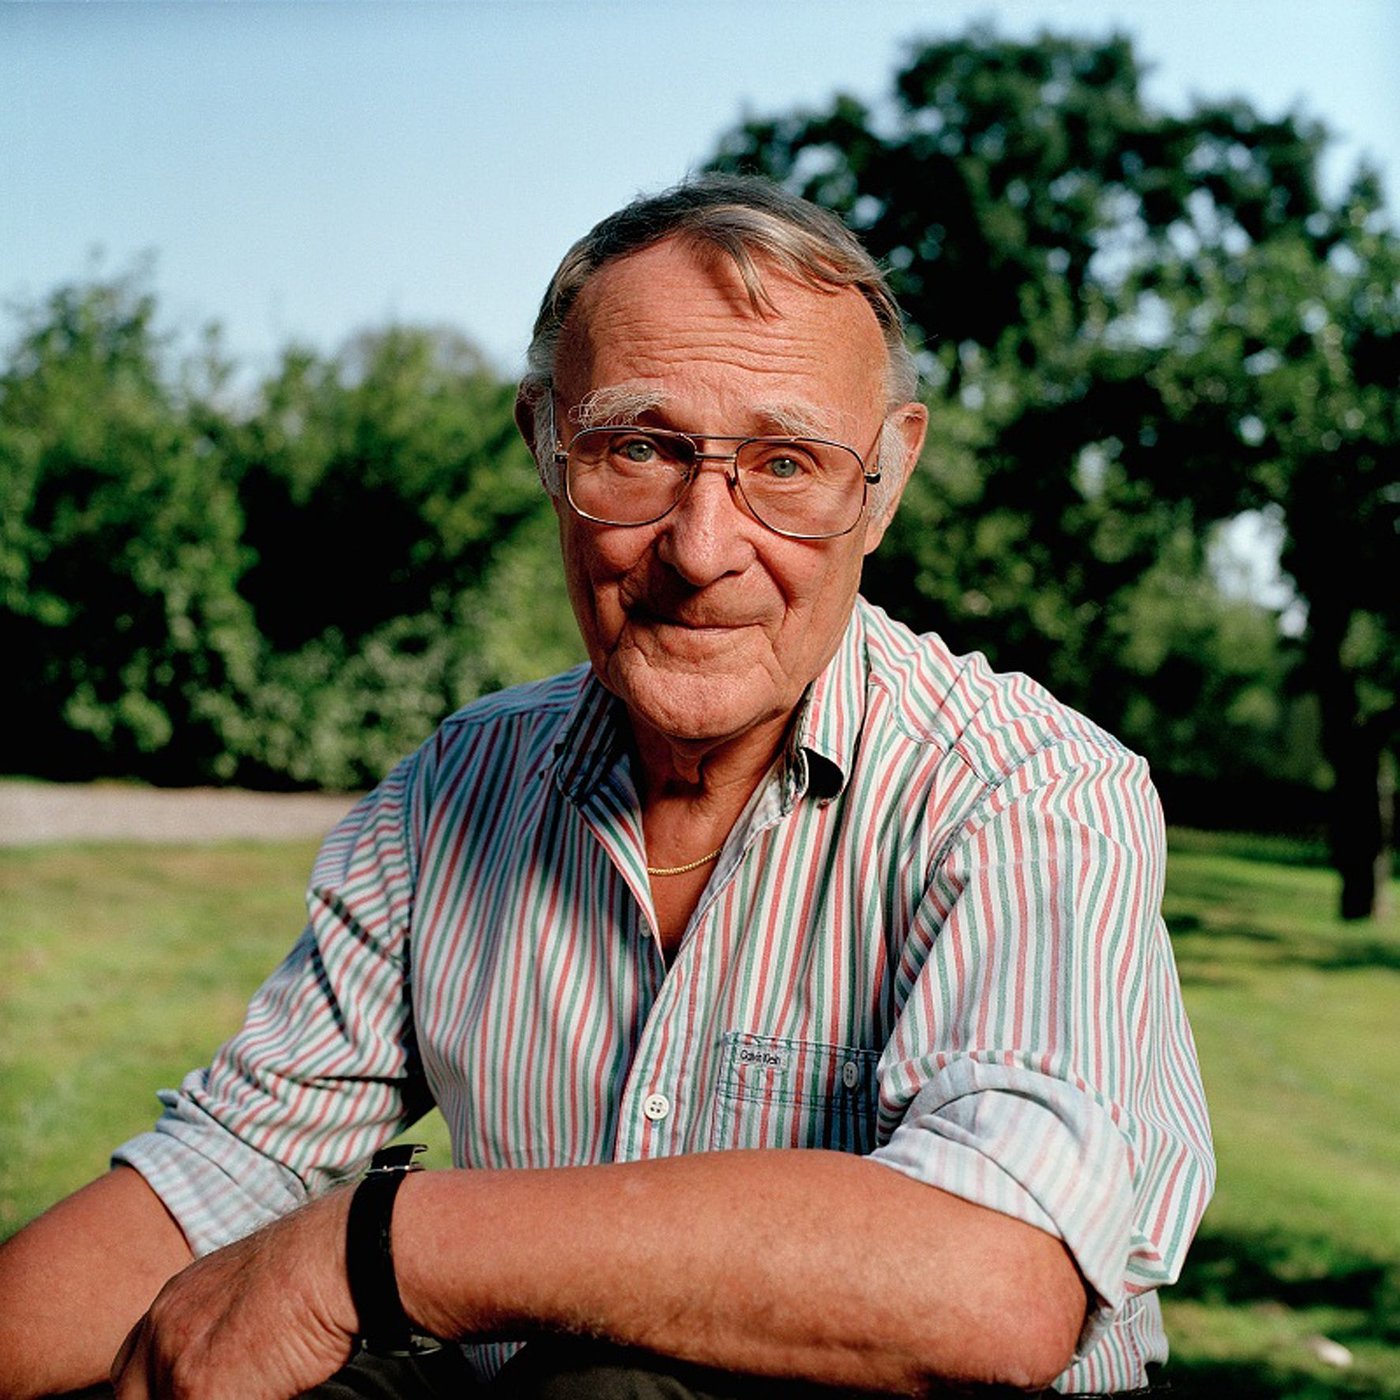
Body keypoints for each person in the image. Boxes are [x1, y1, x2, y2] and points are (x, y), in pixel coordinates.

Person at [0, 175, 1213, 1400]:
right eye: (638, 447)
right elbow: (221, 1169)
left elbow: (994, 1280)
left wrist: (377, 1248)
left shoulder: (1029, 787)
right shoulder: (457, 784)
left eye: (785, 463)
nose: (698, 546)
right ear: (545, 440)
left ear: (883, 479)